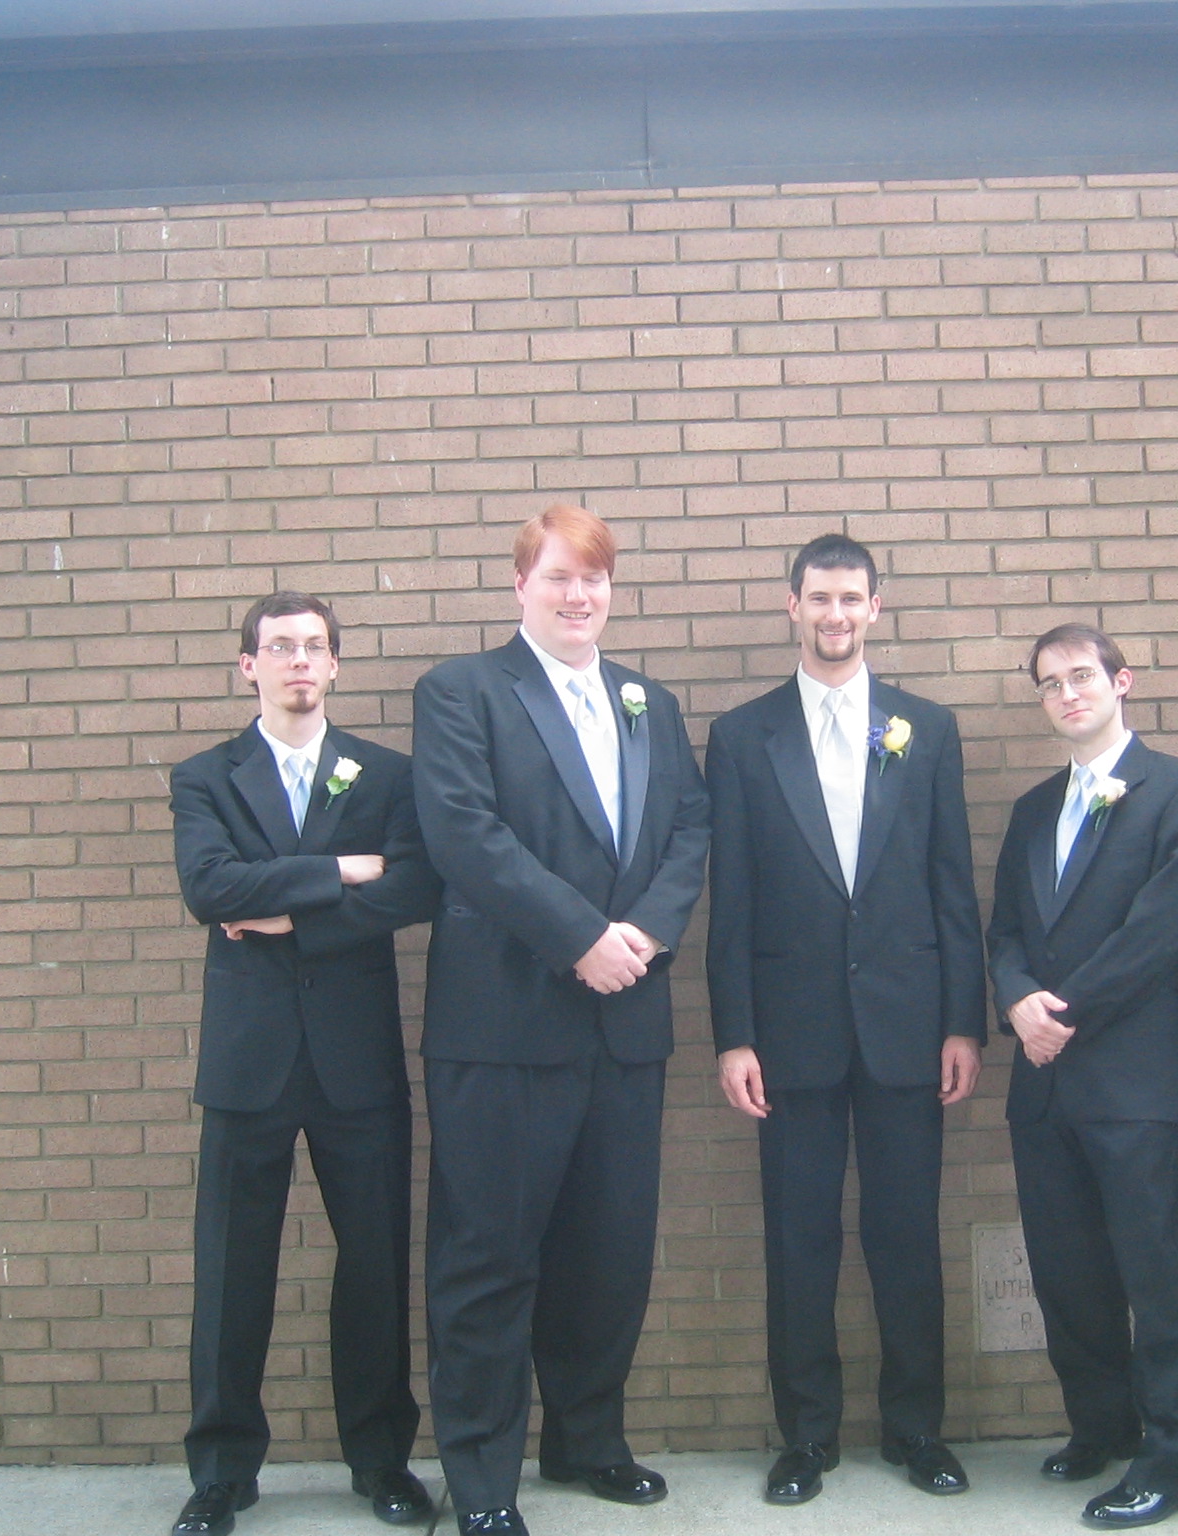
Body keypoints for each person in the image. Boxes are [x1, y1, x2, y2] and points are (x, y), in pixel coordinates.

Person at [411, 504, 710, 1536]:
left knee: (607, 1257)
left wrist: (646, 933)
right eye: (558, 578)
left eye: (594, 579)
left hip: (625, 1027)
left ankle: (587, 1441)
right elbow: (463, 833)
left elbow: (689, 825)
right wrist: (581, 935)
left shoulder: (648, 702)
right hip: (503, 1029)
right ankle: (483, 1481)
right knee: (489, 1261)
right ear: (519, 586)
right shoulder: (462, 692)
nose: (579, 596)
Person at [705, 534, 985, 1506]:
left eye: (850, 598)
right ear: (792, 604)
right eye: (818, 597)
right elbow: (731, 901)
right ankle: (806, 1437)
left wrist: (963, 1021)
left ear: (875, 607)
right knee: (799, 1241)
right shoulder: (741, 736)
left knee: (906, 1236)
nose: (834, 614)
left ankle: (916, 1430)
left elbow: (952, 885)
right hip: (790, 1036)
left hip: (908, 1028)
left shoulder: (925, 728)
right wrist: (734, 1034)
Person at [168, 591, 442, 1536]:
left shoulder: (388, 774)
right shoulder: (206, 777)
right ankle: (221, 1473)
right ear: (248, 665)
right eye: (278, 646)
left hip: (355, 1060)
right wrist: (341, 871)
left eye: (313, 646)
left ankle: (381, 1460)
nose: (298, 661)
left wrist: (290, 915)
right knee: (230, 1270)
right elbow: (209, 887)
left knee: (374, 1266)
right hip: (247, 1061)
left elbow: (418, 883)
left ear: (334, 665)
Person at [986, 623, 1178, 1529]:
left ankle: (1177, 1459)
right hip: (1043, 1084)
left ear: (1123, 681)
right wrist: (1016, 1002)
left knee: (1153, 1276)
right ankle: (1100, 1425)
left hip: (1130, 1079)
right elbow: (1005, 929)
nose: (1067, 693)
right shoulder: (1032, 809)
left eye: (1081, 675)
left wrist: (1059, 1015)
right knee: (1067, 1271)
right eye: (1049, 684)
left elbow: (1159, 930)